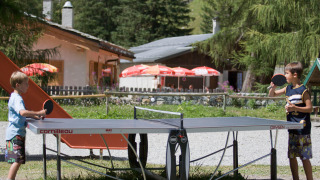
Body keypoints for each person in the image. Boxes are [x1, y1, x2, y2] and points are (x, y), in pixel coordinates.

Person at [269, 62, 313, 180]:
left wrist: (295, 108)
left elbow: (310, 108)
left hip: (303, 129)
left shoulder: (303, 90)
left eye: (286, 73)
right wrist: (273, 87)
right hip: (292, 128)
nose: (284, 75)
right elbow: (272, 95)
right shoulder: (287, 88)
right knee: (292, 156)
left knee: (304, 157)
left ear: (294, 74)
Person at [6, 71, 46, 180]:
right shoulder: (18, 98)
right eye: (26, 84)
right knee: (17, 161)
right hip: (16, 135)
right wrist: (39, 113)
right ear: (18, 85)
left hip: (10, 134)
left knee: (14, 161)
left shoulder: (13, 96)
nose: (28, 86)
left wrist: (34, 116)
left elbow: (20, 114)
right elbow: (22, 112)